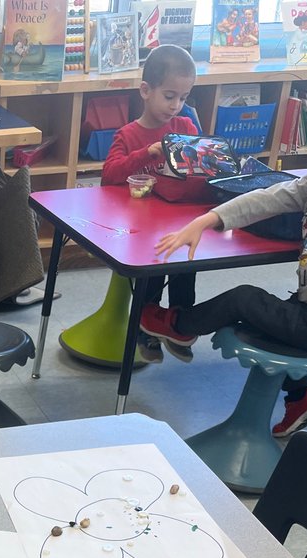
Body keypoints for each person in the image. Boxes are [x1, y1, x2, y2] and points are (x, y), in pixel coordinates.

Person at [140, 83, 307, 437]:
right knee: (258, 322)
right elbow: (266, 198)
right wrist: (207, 220)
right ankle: (300, 397)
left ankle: (179, 325)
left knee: (244, 299)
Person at [102, 44, 199, 364]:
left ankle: (180, 326)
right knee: (152, 275)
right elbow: (109, 176)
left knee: (186, 269)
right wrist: (147, 153)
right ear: (146, 91)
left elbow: (199, 169)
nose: (176, 106)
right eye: (169, 96)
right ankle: (147, 331)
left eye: (183, 98)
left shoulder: (185, 127)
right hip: (142, 228)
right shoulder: (128, 135)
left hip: (179, 222)